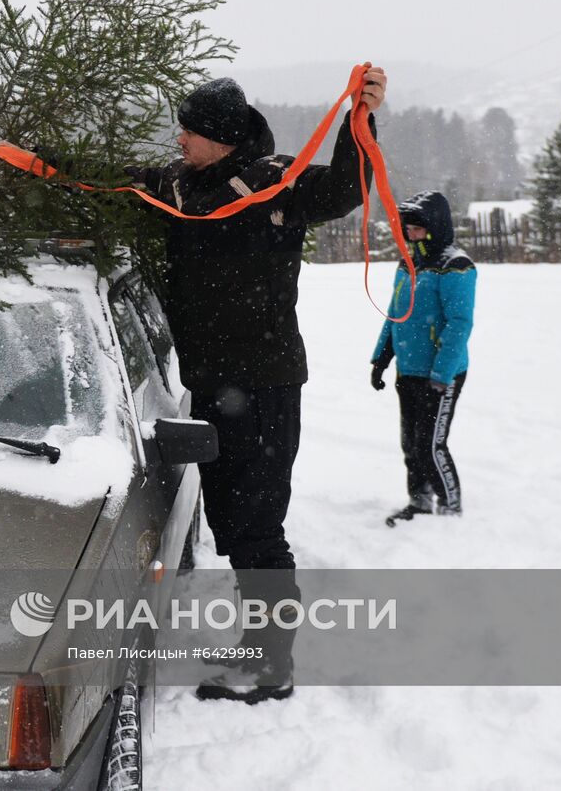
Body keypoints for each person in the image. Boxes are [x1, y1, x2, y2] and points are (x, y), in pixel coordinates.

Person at [125, 67, 387, 703]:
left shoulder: (275, 182)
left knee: (256, 525)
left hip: (266, 386)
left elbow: (348, 189)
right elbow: (106, 176)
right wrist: (29, 160)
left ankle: (272, 665)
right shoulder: (180, 185)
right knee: (230, 517)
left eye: (189, 129)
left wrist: (361, 120)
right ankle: (259, 645)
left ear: (219, 136)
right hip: (212, 385)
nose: (178, 137)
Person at [370, 190, 476, 526]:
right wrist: (381, 358)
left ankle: (450, 507)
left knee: (431, 445)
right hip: (409, 370)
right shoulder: (408, 263)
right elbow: (395, 315)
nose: (410, 234)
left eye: (416, 229)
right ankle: (419, 502)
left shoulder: (455, 267)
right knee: (411, 445)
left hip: (440, 374)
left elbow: (460, 324)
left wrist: (442, 374)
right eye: (408, 229)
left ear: (435, 227)